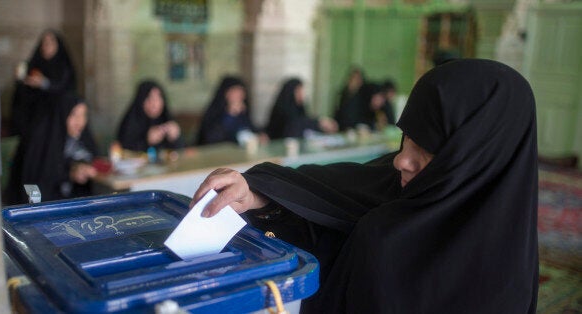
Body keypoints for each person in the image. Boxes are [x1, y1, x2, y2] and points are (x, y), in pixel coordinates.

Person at [191, 59, 538, 313]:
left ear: (477, 158)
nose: (402, 160)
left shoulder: (499, 281)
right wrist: (255, 194)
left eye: (429, 149)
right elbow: (321, 198)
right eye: (407, 138)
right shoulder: (391, 180)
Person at [4, 93, 98, 205]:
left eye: (83, 115)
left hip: (67, 202)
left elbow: (92, 158)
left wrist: (80, 167)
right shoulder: (40, 140)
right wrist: (69, 174)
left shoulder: (79, 139)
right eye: (74, 115)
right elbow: (31, 184)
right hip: (35, 204)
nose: (80, 121)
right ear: (61, 115)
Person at [10, 29, 76, 138]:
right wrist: (22, 80)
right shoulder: (35, 63)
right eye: (44, 43)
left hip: (54, 115)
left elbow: (64, 87)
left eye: (50, 42)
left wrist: (44, 83)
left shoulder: (63, 65)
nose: (46, 46)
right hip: (33, 114)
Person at [196, 76, 267, 145]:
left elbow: (250, 129)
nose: (239, 96)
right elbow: (211, 138)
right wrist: (230, 114)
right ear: (226, 94)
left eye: (241, 92)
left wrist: (260, 135)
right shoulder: (215, 111)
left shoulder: (243, 112)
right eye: (235, 92)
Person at [117, 80, 183, 152]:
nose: (154, 103)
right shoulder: (131, 122)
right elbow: (123, 150)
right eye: (149, 98)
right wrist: (146, 141)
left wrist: (175, 138)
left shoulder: (166, 119)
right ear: (141, 100)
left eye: (158, 98)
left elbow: (182, 151)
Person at [265, 78, 338, 139]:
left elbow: (305, 122)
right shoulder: (282, 108)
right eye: (298, 91)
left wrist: (322, 124)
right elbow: (295, 124)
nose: (302, 93)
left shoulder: (299, 107)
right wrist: (319, 122)